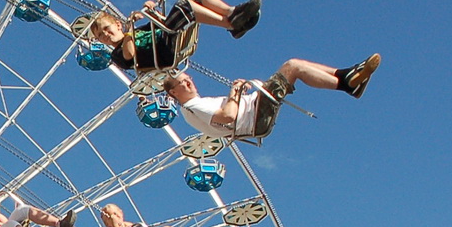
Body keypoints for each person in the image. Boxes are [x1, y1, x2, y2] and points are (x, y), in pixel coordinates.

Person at [162, 54, 380, 141]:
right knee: (292, 67)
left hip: (255, 111)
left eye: (188, 77)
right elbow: (228, 116)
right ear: (173, 92)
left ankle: (345, 76)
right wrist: (235, 92)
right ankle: (345, 83)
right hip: (256, 114)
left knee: (295, 66)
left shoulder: (194, 107)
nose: (189, 81)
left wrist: (238, 95)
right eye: (183, 81)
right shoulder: (193, 106)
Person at [86, 0, 263, 72]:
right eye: (101, 36)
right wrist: (130, 31)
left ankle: (231, 13)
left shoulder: (138, 30)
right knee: (184, 6)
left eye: (106, 29)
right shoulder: (116, 54)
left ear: (118, 25)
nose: (105, 35)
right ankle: (231, 25)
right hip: (163, 53)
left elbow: (163, 23)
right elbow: (129, 54)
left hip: (168, 38)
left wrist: (152, 11)